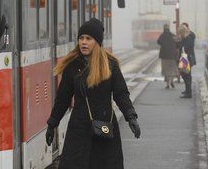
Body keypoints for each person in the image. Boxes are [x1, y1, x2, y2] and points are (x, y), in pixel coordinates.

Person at [45, 18, 141, 169]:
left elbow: (121, 93)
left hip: (104, 128)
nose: (83, 42)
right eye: (81, 38)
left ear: (97, 42)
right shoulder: (73, 66)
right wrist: (52, 123)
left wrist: (131, 116)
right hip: (79, 128)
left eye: (88, 39)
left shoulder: (110, 65)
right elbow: (63, 98)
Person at [176, 24, 195, 99]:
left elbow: (187, 47)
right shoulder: (185, 38)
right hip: (184, 58)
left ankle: (188, 93)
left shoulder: (188, 38)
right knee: (184, 75)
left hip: (186, 58)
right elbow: (180, 45)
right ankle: (187, 91)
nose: (180, 35)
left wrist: (180, 44)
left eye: (180, 33)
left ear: (183, 32)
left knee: (186, 75)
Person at [157, 23, 178, 89]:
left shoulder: (162, 35)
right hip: (172, 55)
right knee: (172, 69)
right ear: (169, 28)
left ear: (164, 28)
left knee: (165, 69)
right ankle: (171, 81)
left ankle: (167, 84)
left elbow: (158, 42)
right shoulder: (172, 35)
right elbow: (177, 41)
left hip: (164, 56)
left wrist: (164, 45)